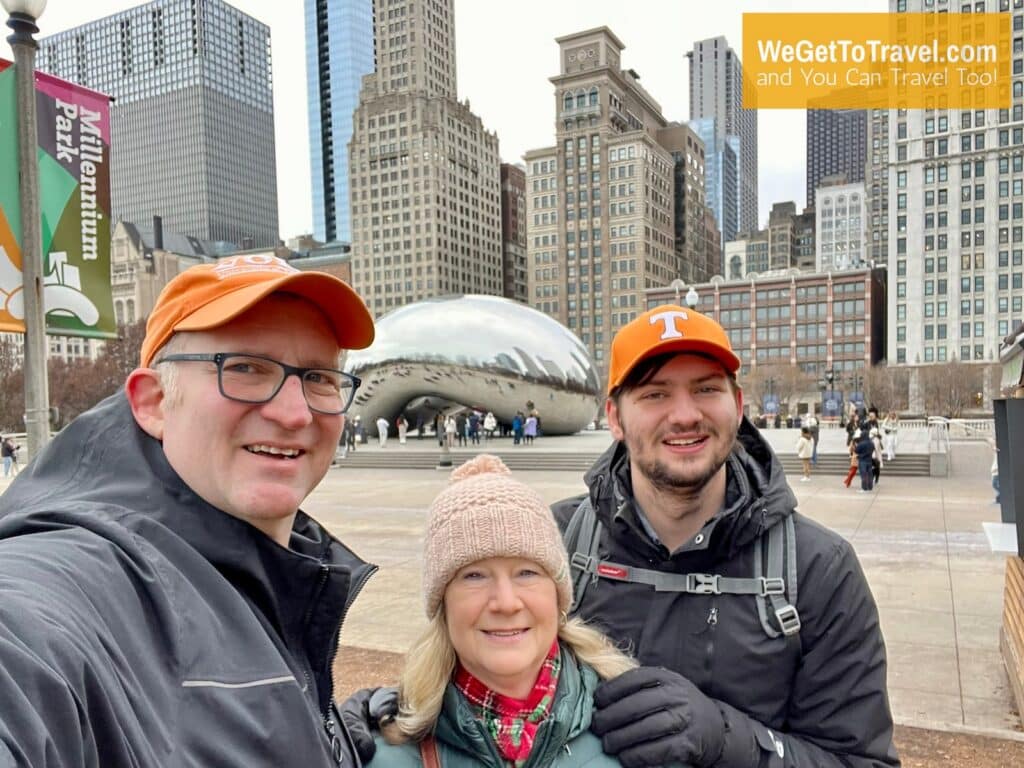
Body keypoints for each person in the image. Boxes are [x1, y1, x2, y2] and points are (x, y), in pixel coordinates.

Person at [0, 255, 376, 765]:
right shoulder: (82, 576)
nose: (294, 413)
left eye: (319, 377)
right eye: (244, 368)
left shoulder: (282, 572)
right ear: (153, 402)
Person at [549, 305, 897, 767]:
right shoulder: (553, 546)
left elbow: (859, 761)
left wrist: (728, 739)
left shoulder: (818, 570)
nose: (685, 415)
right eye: (655, 394)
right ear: (614, 417)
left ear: (738, 405)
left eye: (706, 389)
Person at [364, 455, 634, 768]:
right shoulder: (380, 754)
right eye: (474, 576)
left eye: (527, 573)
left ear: (558, 596)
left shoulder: (635, 728)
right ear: (443, 605)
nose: (506, 603)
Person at [854, 427, 876, 492]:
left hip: (862, 460)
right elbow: (873, 449)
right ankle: (870, 487)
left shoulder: (861, 443)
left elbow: (856, 451)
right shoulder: (871, 443)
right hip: (869, 460)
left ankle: (864, 488)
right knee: (870, 474)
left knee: (863, 474)